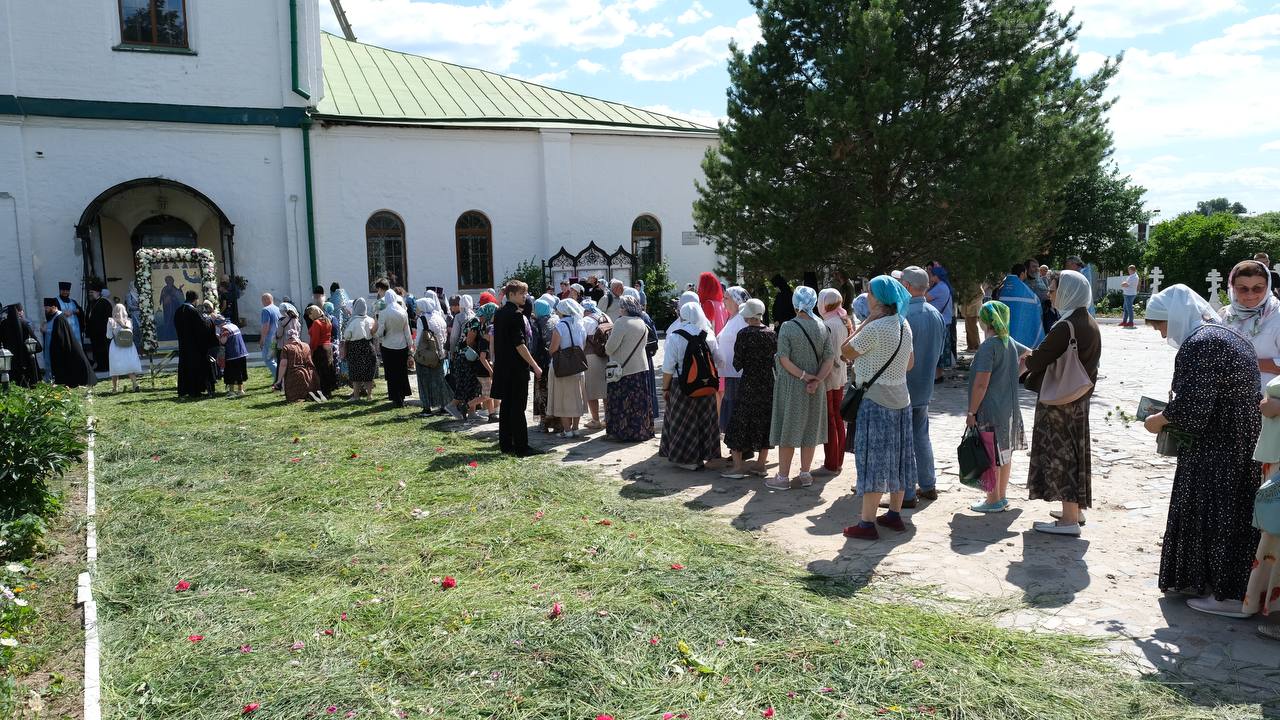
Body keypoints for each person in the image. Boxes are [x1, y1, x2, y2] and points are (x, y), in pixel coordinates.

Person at [1142, 284, 1262, 617]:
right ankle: (1217, 586)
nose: (1161, 333)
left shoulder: (1202, 344)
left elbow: (1194, 409)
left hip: (1221, 444)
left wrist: (1159, 421)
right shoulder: (1223, 335)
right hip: (1237, 438)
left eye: (1160, 325)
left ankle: (1228, 595)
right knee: (1229, 511)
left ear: (1175, 317)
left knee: (1220, 514)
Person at [1021, 270, 1101, 535]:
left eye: (1054, 288)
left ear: (1068, 291)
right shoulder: (1087, 321)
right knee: (1074, 454)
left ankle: (1068, 521)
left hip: (1061, 403)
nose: (1049, 293)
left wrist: (1024, 357)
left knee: (1061, 456)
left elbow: (1037, 360)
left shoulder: (1066, 326)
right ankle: (1074, 510)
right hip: (1077, 399)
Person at [841, 276, 915, 540]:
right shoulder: (904, 325)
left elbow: (845, 351)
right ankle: (894, 515)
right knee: (900, 458)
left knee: (872, 460)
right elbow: (909, 364)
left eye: (869, 292)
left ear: (878, 298)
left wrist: (864, 323)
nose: (867, 296)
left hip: (875, 401)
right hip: (901, 399)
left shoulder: (874, 328)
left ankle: (866, 523)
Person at [965, 301, 1029, 513]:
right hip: (1009, 407)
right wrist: (1013, 375)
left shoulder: (988, 347)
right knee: (1005, 452)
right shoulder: (1008, 341)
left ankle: (992, 500)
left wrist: (971, 412)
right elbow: (1030, 354)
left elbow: (982, 384)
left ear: (986, 321)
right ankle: (1001, 497)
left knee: (990, 453)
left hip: (990, 409)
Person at [768, 286, 835, 489]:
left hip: (793, 385)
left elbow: (784, 359)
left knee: (788, 429)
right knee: (810, 429)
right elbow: (829, 358)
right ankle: (805, 474)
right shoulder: (822, 326)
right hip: (816, 388)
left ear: (796, 303)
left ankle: (782, 477)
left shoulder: (788, 326)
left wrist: (805, 377)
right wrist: (817, 380)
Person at [900, 267, 947, 506]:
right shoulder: (935, 314)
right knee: (921, 435)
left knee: (904, 440)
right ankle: (928, 484)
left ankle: (907, 493)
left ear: (907, 286)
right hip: (925, 384)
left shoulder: (903, 315)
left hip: (903, 386)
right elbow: (940, 352)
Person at [661, 302, 722, 470]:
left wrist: (665, 388)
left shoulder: (675, 336)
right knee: (704, 420)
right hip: (706, 385)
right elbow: (720, 361)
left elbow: (667, 367)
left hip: (682, 386)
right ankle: (704, 455)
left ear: (682, 315)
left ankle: (687, 460)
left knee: (684, 422)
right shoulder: (708, 334)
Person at [722, 299, 776, 478]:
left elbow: (738, 362)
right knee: (764, 421)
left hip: (749, 382)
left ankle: (738, 467)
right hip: (767, 383)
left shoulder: (744, 334)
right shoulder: (771, 333)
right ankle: (761, 465)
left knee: (740, 421)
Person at [491, 281, 544, 456]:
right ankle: (522, 446)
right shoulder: (514, 315)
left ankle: (506, 444)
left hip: (504, 367)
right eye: (522, 294)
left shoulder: (499, 313)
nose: (525, 297)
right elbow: (519, 345)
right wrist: (535, 366)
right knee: (517, 408)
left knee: (506, 407)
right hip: (515, 369)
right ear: (512, 294)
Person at [1220, 259, 1280, 386]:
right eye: (1242, 289)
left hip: (1268, 400)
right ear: (1232, 287)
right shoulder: (1225, 315)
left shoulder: (1277, 315)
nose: (1250, 294)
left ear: (1268, 286)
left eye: (1258, 288)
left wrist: (1243, 363)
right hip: (1229, 398)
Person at [603, 294, 654, 442]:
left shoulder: (621, 323)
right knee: (639, 404)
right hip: (640, 367)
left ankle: (622, 433)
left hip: (623, 369)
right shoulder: (641, 322)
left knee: (622, 403)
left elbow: (610, 348)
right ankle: (641, 431)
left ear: (624, 308)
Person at [817, 288, 851, 475]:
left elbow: (825, 354)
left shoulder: (828, 324)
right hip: (840, 375)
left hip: (829, 375)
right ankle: (837, 460)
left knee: (830, 419)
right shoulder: (842, 320)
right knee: (837, 418)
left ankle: (831, 462)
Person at [549, 298, 588, 438]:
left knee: (563, 398)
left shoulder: (559, 326)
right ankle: (576, 428)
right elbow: (582, 346)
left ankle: (567, 430)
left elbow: (553, 349)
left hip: (562, 366)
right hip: (577, 366)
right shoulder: (580, 325)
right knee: (577, 397)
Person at [716, 287, 750, 434]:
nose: (723, 301)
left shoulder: (742, 319)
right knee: (731, 408)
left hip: (738, 374)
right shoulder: (733, 318)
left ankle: (739, 448)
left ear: (736, 301)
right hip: (730, 372)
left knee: (735, 409)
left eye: (726, 298)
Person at [42, 297, 95, 388]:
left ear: (54, 307)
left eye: (47, 308)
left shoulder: (59, 318)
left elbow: (59, 336)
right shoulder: (55, 317)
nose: (45, 310)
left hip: (64, 349)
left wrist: (46, 331)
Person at [414, 297, 452, 415]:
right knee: (439, 380)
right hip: (439, 354)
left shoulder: (422, 319)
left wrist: (415, 350)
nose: (417, 309)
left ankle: (427, 408)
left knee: (424, 381)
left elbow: (419, 338)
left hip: (426, 355)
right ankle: (444, 406)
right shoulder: (439, 318)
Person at [376, 288, 413, 408]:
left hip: (388, 345)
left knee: (392, 373)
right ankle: (402, 395)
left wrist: (378, 335)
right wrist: (410, 345)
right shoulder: (403, 311)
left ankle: (395, 397)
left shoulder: (384, 312)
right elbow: (407, 330)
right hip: (401, 345)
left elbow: (380, 332)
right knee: (402, 371)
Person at [174, 291, 215, 398]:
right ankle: (195, 391)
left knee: (184, 367)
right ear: (195, 299)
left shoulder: (178, 311)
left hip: (183, 345)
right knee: (195, 368)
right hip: (195, 346)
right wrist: (210, 321)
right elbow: (202, 328)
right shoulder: (193, 311)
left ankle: (183, 390)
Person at [993, 263, 1045, 348]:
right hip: (1021, 337)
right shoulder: (1027, 293)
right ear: (1022, 274)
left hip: (1003, 332)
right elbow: (1037, 308)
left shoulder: (1002, 289)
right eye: (1025, 273)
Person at [531, 296, 558, 432]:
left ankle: (544, 422)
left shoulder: (536, 324)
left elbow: (534, 346)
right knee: (555, 391)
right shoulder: (555, 320)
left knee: (542, 392)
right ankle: (558, 422)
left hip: (541, 362)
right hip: (556, 361)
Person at [342, 298, 377, 401]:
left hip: (355, 347)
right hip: (368, 346)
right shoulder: (370, 320)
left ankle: (356, 396)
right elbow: (375, 332)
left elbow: (347, 335)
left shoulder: (352, 321)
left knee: (355, 372)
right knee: (368, 372)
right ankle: (369, 395)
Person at [278, 323, 323, 402]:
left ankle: (299, 397)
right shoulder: (306, 345)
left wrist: (279, 379)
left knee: (294, 398)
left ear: (288, 338)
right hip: (311, 377)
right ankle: (309, 395)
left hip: (295, 377)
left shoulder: (286, 348)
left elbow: (283, 364)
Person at [0, 304, 42, 387]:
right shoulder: (24, 324)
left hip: (9, 363)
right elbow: (37, 346)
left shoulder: (3, 325)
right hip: (26, 363)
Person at [105, 303, 142, 393]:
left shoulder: (111, 321)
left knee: (115, 367)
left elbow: (109, 336)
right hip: (129, 346)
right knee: (128, 366)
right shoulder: (129, 321)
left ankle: (115, 388)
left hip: (116, 346)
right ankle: (135, 384)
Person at [306, 306, 337, 399]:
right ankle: (328, 391)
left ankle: (323, 392)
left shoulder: (316, 323)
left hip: (320, 349)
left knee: (320, 371)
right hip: (328, 348)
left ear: (314, 313)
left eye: (310, 314)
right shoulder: (327, 320)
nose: (309, 317)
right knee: (328, 370)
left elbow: (315, 339)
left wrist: (311, 351)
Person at [213, 314, 248, 397]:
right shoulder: (233, 325)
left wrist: (218, 337)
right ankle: (240, 390)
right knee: (240, 372)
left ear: (220, 324)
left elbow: (223, 341)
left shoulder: (225, 329)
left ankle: (231, 391)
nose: (218, 327)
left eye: (218, 325)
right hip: (242, 353)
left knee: (230, 373)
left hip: (232, 355)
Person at [274, 302, 302, 390]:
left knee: (281, 365)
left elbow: (279, 334)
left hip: (283, 346)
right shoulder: (296, 319)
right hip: (294, 344)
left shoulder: (281, 321)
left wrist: (275, 336)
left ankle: (280, 384)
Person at [86, 286, 112, 372]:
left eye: (92, 292)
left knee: (103, 349)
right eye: (90, 293)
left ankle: (106, 365)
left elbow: (108, 317)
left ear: (98, 292)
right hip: (94, 332)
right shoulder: (92, 303)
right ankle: (100, 365)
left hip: (102, 331)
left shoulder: (104, 302)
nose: (90, 294)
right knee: (96, 350)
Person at [260, 294, 281, 382]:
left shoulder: (265, 310)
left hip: (270, 339)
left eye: (262, 300)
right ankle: (280, 378)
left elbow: (266, 326)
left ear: (265, 300)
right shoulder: (278, 309)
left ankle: (279, 378)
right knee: (276, 358)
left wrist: (262, 339)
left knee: (268, 359)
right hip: (278, 337)